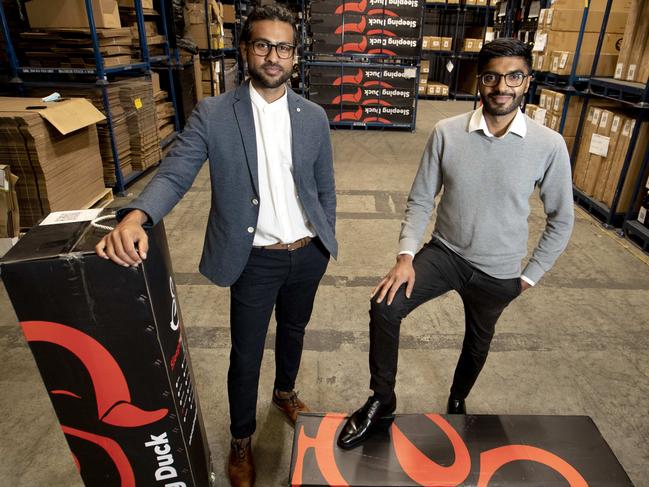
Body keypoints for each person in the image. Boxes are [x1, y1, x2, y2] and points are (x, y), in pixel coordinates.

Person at [95, 4, 336, 485]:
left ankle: (285, 393)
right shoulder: (215, 113)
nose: (273, 56)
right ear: (246, 50)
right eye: (263, 45)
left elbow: (323, 185)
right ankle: (242, 438)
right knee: (245, 356)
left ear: (294, 56)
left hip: (307, 253)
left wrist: (325, 237)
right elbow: (177, 171)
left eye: (283, 47)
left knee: (294, 331)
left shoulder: (313, 116)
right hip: (254, 260)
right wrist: (137, 216)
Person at [337, 38, 574, 450]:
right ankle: (382, 400)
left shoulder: (548, 145)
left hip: (500, 271)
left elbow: (562, 219)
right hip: (446, 254)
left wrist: (530, 276)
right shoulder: (447, 133)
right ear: (479, 82)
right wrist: (407, 255)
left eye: (513, 77)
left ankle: (458, 397)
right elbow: (420, 198)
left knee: (477, 344)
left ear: (527, 82)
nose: (502, 86)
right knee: (384, 306)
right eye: (492, 77)